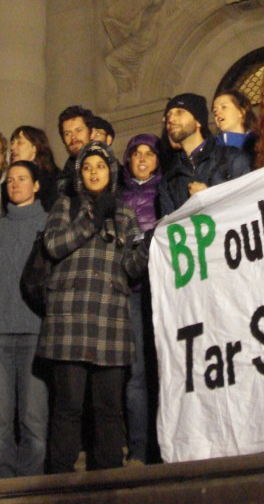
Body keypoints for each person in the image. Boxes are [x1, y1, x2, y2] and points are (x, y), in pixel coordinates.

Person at [39, 141, 149, 472]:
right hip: (69, 319)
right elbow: (54, 245)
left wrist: (148, 248)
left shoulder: (125, 213)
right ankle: (59, 480)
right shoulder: (66, 205)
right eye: (87, 167)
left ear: (111, 172)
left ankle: (108, 481)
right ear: (79, 174)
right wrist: (91, 220)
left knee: (109, 409)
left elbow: (130, 268)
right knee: (68, 407)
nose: (94, 172)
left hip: (109, 320)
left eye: (100, 166)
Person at [0, 160, 49, 479]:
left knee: (33, 415)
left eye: (22, 179)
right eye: (10, 180)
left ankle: (31, 483)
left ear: (36, 185)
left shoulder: (50, 225)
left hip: (35, 329)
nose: (15, 184)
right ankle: (1, 483)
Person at [118, 134, 162, 465]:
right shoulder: (117, 198)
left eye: (149, 153)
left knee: (164, 368)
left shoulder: (166, 191)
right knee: (135, 376)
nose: (143, 158)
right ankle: (138, 448)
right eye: (137, 154)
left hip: (162, 289)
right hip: (130, 291)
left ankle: (164, 447)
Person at [159, 93, 252, 215]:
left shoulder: (233, 159)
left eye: (179, 112)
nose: (171, 120)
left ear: (198, 121)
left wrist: (211, 199)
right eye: (168, 115)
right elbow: (171, 224)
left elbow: (251, 207)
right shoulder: (169, 180)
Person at [9, 125, 59, 211]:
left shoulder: (52, 179)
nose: (12, 148)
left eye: (19, 143)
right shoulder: (8, 179)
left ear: (35, 147)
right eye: (12, 143)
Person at [56, 105, 95, 194]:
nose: (73, 137)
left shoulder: (114, 171)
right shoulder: (62, 183)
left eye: (79, 130)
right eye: (67, 134)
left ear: (91, 132)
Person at [212, 88, 257, 162]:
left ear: (241, 112)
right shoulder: (211, 149)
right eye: (215, 111)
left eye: (224, 107)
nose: (217, 113)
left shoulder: (258, 144)